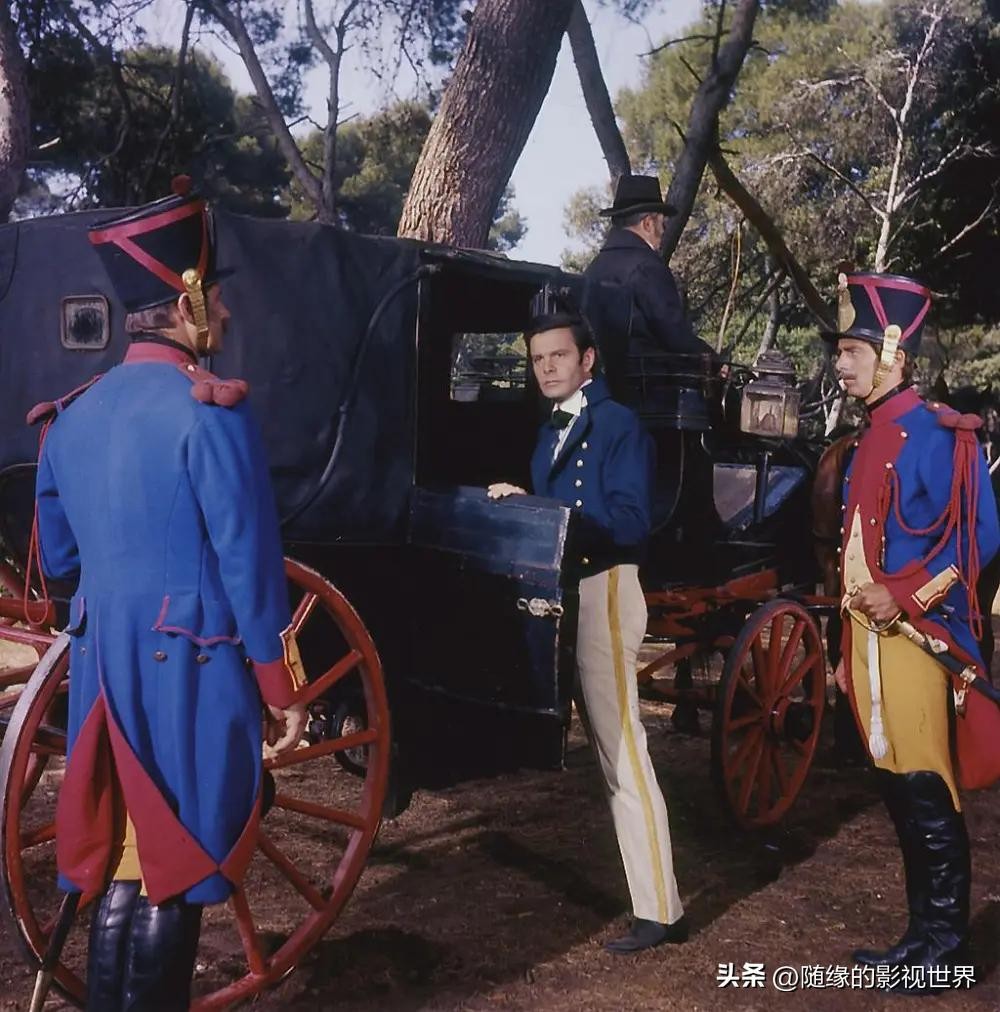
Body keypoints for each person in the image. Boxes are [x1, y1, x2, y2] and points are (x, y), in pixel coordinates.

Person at [30, 177, 307, 1010]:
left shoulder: (70, 419)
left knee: (126, 855)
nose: (223, 312)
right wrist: (280, 688)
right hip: (191, 667)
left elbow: (61, 556)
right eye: (214, 299)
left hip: (102, 670)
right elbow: (249, 566)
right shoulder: (212, 414)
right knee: (180, 862)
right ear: (186, 304)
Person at [487, 311, 687, 953]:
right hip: (567, 594)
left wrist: (542, 508)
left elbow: (629, 524)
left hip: (605, 589)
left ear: (587, 361)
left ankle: (661, 910)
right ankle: (655, 902)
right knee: (608, 753)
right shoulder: (549, 429)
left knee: (623, 751)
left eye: (559, 356)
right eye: (538, 358)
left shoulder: (618, 424)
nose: (547, 367)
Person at [824, 271, 1000, 992]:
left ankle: (946, 949)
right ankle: (921, 937)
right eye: (839, 351)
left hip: (920, 635)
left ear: (893, 354)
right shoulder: (868, 436)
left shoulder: (942, 434)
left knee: (927, 788)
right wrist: (845, 648)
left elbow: (978, 538)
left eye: (852, 351)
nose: (840, 363)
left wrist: (904, 594)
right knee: (898, 788)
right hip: (867, 639)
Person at [583, 174, 715, 366]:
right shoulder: (647, 267)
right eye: (662, 223)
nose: (663, 231)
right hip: (646, 378)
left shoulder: (593, 269)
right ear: (648, 224)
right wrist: (715, 362)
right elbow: (674, 335)